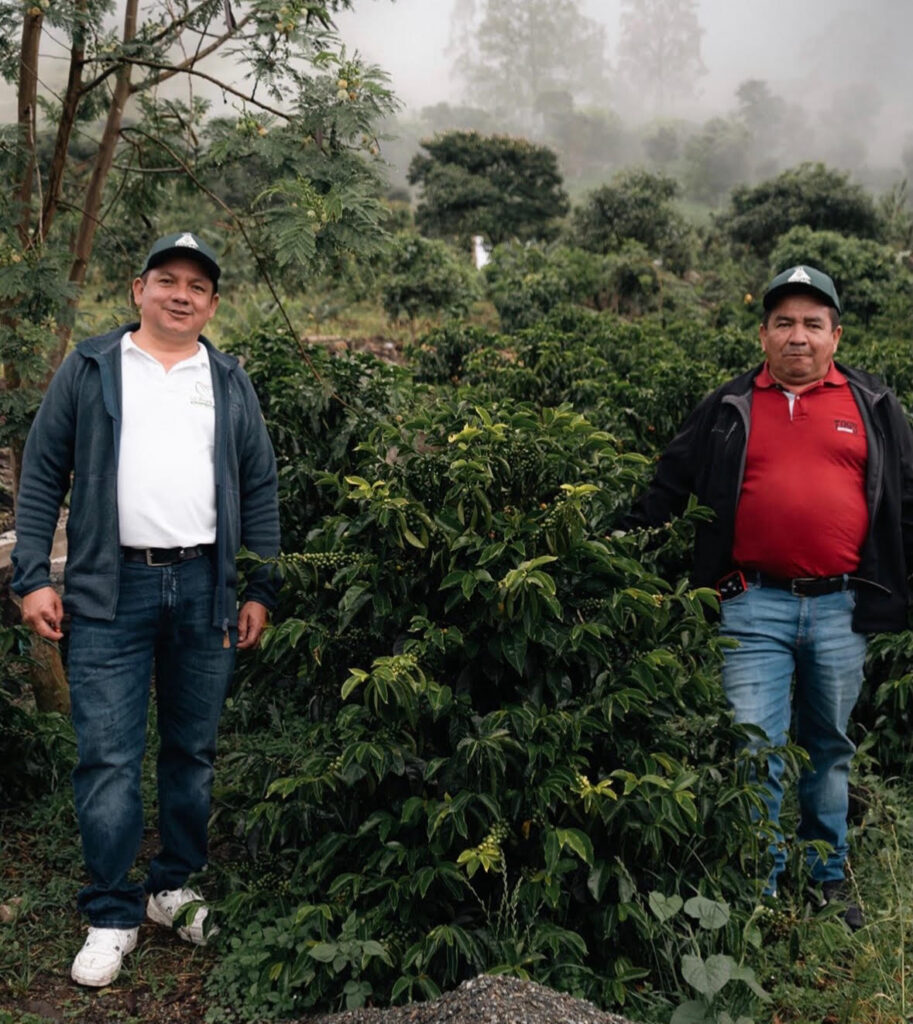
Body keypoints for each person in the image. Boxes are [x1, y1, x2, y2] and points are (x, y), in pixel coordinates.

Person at [11, 231, 280, 985]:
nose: (181, 294)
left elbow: (258, 485)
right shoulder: (94, 367)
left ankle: (172, 888)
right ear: (139, 290)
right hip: (108, 589)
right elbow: (41, 476)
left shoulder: (227, 379)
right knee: (108, 757)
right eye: (167, 280)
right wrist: (32, 576)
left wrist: (260, 586)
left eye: (197, 286)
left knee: (192, 752)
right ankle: (110, 909)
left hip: (205, 589)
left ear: (213, 303)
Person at [625, 264, 913, 929]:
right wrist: (616, 549)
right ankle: (757, 878)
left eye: (812, 324)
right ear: (761, 335)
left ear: (835, 336)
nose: (797, 337)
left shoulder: (872, 406)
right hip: (750, 602)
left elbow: (905, 497)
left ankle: (826, 877)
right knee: (753, 744)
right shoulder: (728, 405)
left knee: (828, 746)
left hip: (843, 606)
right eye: (783, 322)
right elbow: (668, 484)